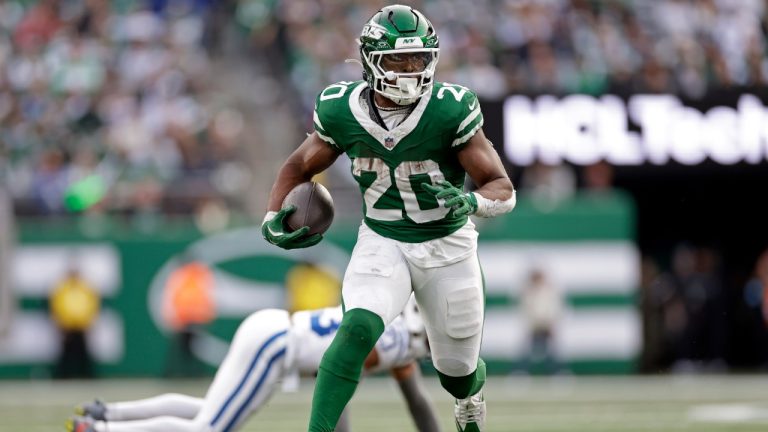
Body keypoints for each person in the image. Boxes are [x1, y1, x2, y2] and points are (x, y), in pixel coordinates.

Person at [260, 5, 516, 431]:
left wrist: (472, 203)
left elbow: (501, 187)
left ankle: (470, 393)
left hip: (447, 247)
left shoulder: (450, 109)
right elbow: (297, 166)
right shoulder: (341, 109)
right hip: (384, 240)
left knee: (455, 372)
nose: (411, 70)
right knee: (356, 328)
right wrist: (272, 215)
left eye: (419, 59)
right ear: (371, 61)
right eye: (399, 59)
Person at [66, 297, 440, 432]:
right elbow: (339, 372)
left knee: (206, 413)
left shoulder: (384, 321)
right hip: (278, 346)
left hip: (271, 329)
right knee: (209, 429)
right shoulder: (396, 340)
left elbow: (416, 403)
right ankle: (98, 430)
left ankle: (107, 414)